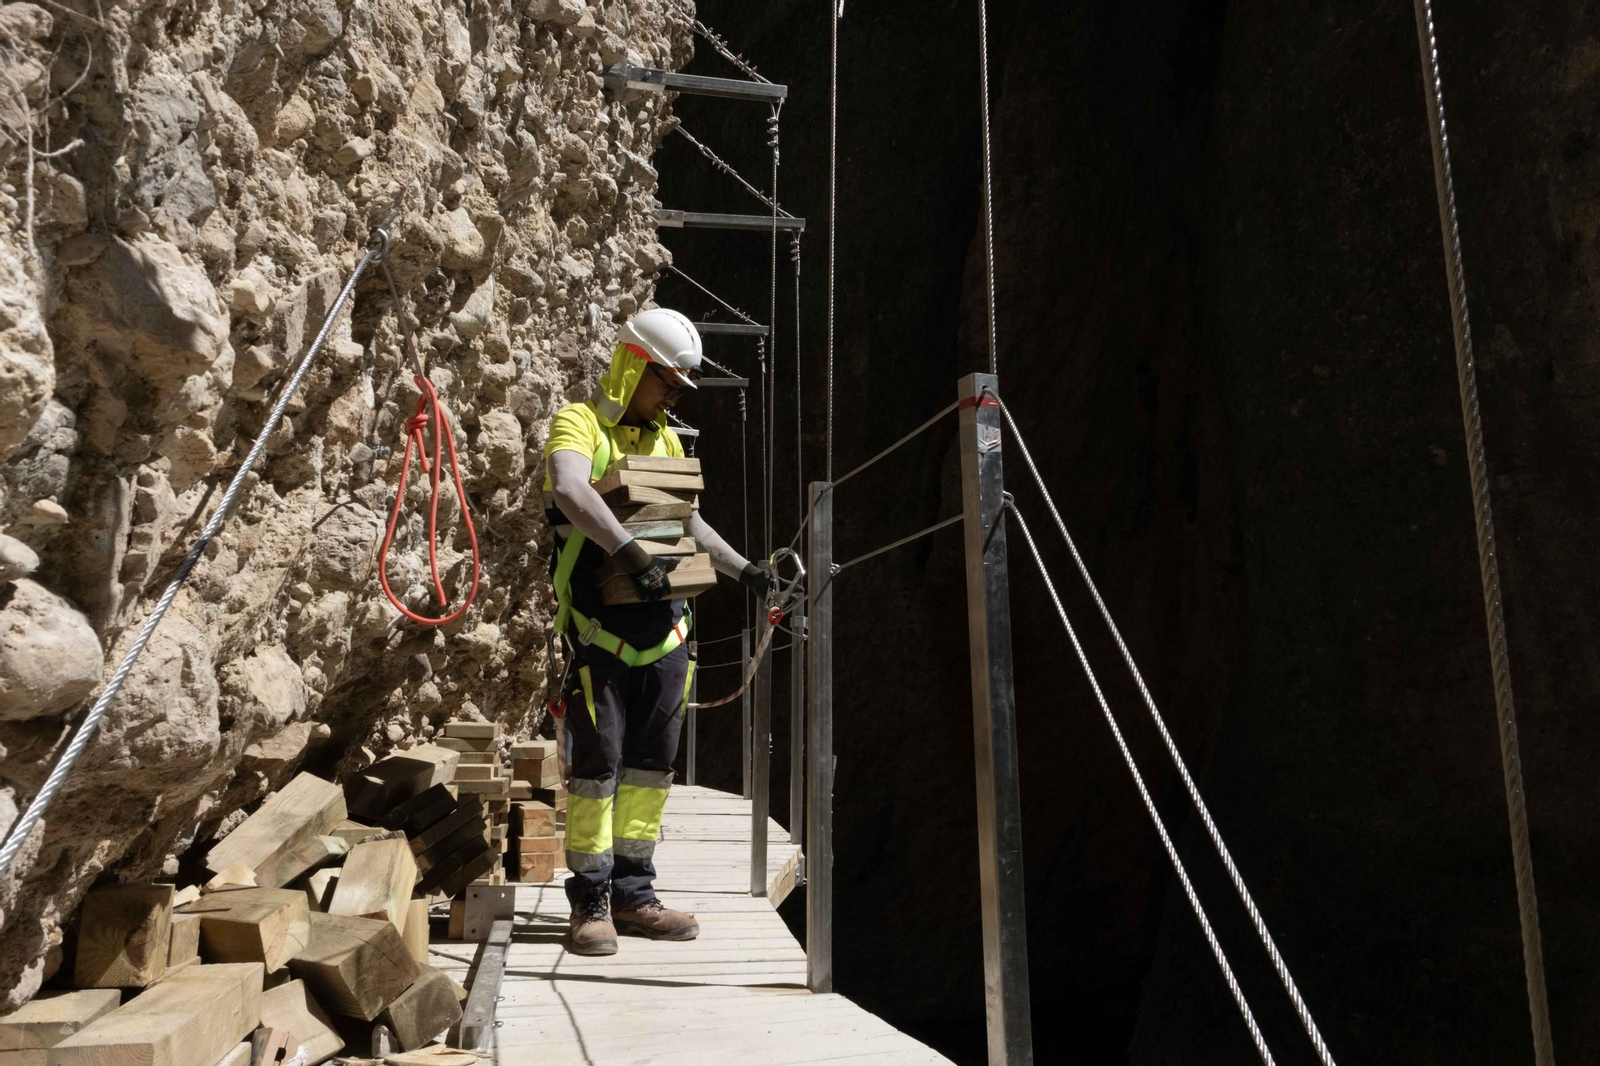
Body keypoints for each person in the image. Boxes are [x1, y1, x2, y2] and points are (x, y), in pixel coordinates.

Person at [541, 307, 773, 956]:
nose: (673, 397)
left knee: (650, 770)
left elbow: (686, 525)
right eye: (667, 383)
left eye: (680, 389)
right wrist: (628, 551)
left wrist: (748, 572)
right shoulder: (580, 423)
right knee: (597, 769)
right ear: (632, 365)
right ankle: (590, 898)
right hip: (601, 634)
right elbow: (568, 489)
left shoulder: (667, 441)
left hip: (666, 634)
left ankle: (634, 895)